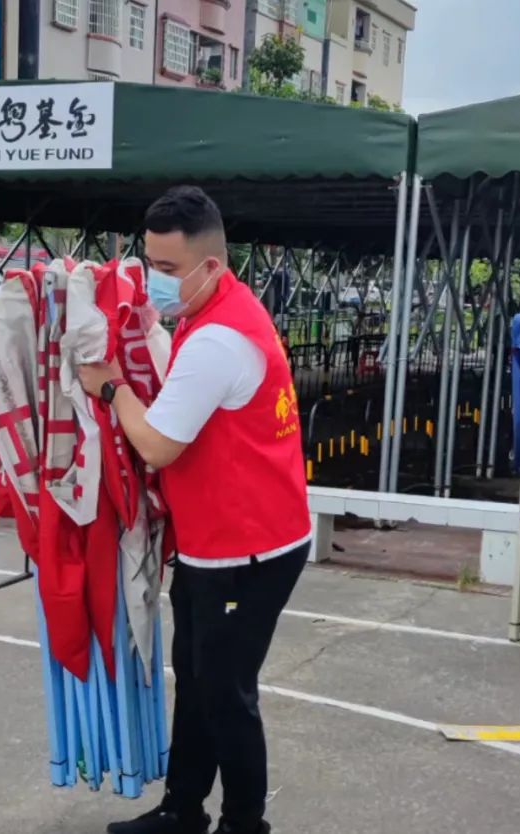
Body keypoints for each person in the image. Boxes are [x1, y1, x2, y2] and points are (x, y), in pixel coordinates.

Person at [79, 186, 312, 834]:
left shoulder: (219, 340)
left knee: (226, 692)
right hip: (218, 542)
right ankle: (183, 809)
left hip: (248, 549)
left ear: (210, 265)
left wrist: (112, 387)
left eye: (167, 268)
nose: (155, 280)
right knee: (198, 676)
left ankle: (243, 823)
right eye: (149, 263)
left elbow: (157, 444)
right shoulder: (211, 307)